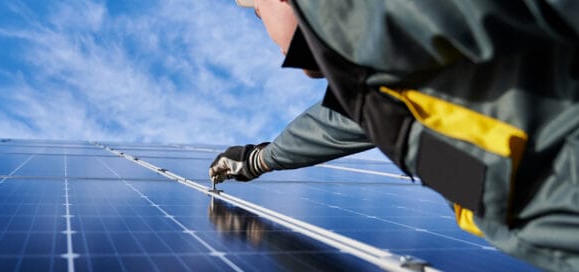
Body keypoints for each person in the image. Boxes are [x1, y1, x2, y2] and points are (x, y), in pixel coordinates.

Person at [209, 0, 579, 271]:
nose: (272, 42)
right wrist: (257, 160)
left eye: (258, 15)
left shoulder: (351, 15)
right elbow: (333, 123)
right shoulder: (374, 88)